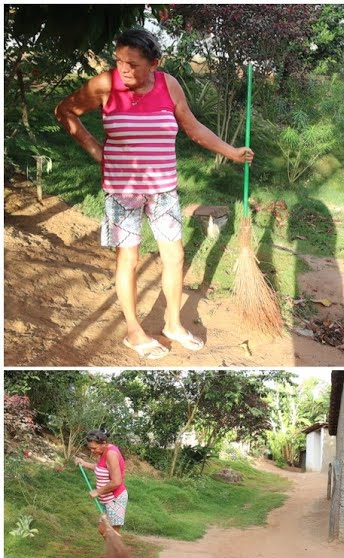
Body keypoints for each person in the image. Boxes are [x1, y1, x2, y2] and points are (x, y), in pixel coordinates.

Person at [55, 28, 254, 360]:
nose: (124, 70)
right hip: (122, 192)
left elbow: (193, 128)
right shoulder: (104, 85)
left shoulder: (168, 85)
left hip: (163, 190)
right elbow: (65, 111)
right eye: (119, 62)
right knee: (128, 260)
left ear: (154, 64)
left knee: (174, 256)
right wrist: (97, 152)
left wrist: (232, 152)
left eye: (132, 64)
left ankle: (173, 324)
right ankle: (134, 331)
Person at [76, 429, 128, 558]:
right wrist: (84, 463)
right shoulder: (103, 453)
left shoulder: (111, 454)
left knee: (113, 533)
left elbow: (117, 481)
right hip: (106, 499)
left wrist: (98, 492)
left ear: (103, 443)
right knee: (103, 530)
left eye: (95, 448)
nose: (93, 451)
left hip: (115, 499)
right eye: (90, 448)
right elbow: (100, 469)